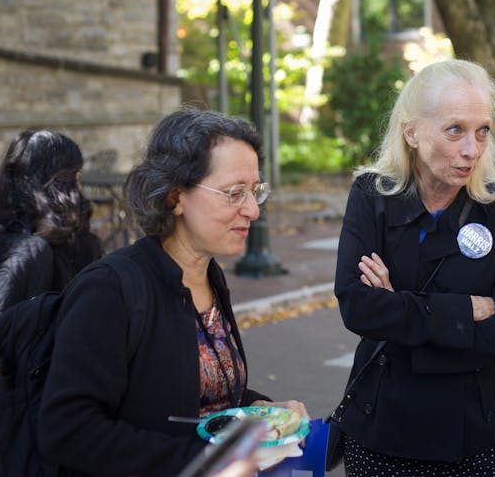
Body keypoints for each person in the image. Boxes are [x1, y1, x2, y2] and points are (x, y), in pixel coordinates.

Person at [38, 110, 308, 475]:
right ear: (175, 197)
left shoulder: (210, 279)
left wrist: (266, 413)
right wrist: (203, 464)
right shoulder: (110, 289)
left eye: (256, 191)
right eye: (234, 193)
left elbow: (201, 397)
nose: (253, 209)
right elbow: (68, 431)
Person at [333, 59, 495, 476]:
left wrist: (399, 313)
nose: (472, 149)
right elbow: (358, 308)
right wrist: (466, 312)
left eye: (482, 130)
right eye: (454, 129)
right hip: (382, 432)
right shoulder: (372, 197)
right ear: (411, 132)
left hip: (477, 440)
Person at [0, 129, 102, 336]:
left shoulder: (70, 241)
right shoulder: (28, 249)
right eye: (76, 177)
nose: (79, 188)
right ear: (59, 182)